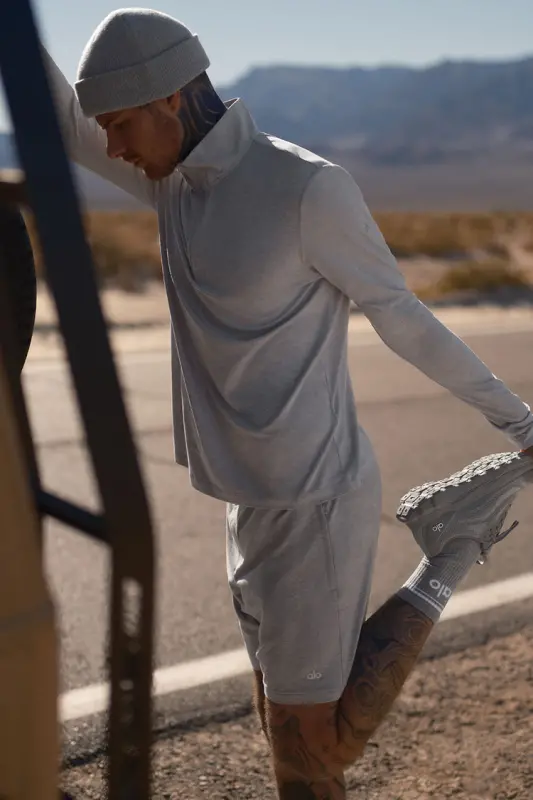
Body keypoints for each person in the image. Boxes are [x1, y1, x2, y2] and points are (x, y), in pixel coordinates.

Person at [41, 9, 533, 797]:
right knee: (284, 736)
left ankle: (452, 548)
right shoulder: (172, 183)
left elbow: (402, 317)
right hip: (243, 500)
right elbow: (62, 121)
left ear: (170, 96)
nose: (113, 147)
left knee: (315, 750)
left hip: (316, 501)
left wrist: (519, 421)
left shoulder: (305, 187)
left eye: (121, 124)